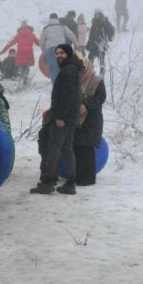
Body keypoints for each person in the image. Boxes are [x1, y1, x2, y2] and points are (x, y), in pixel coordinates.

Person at [30, 44, 82, 195]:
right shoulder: (70, 69)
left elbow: (68, 96)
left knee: (53, 149)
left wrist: (60, 117)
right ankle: (70, 183)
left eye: (62, 53)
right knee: (66, 149)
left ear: (68, 54)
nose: (58, 55)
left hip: (63, 119)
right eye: (57, 53)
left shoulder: (69, 71)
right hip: (70, 118)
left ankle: (47, 182)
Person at [73, 58, 106, 186]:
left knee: (86, 149)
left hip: (91, 120)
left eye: (84, 68)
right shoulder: (77, 81)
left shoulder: (97, 81)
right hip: (78, 121)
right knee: (77, 147)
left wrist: (87, 105)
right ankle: (78, 175)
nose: (82, 71)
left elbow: (101, 97)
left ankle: (87, 178)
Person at [39, 13, 78, 81]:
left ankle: (56, 87)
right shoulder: (62, 26)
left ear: (50, 19)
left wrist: (44, 52)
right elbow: (72, 36)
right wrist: (76, 46)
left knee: (53, 69)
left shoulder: (45, 28)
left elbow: (41, 42)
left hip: (50, 50)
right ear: (57, 19)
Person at [0, 21, 40, 88]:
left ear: (21, 28)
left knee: (20, 66)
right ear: (28, 27)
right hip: (29, 53)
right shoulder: (32, 35)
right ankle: (25, 79)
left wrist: (4, 50)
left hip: (21, 53)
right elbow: (38, 43)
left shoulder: (18, 35)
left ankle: (18, 79)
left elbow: (10, 43)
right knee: (26, 66)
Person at [85, 9, 115, 76]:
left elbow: (111, 31)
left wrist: (106, 38)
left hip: (101, 45)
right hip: (93, 45)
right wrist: (88, 44)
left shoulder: (105, 22)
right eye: (96, 15)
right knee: (89, 60)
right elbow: (91, 34)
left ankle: (102, 74)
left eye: (98, 14)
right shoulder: (94, 23)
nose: (97, 16)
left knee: (101, 60)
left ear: (101, 14)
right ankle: (89, 74)